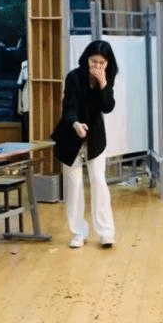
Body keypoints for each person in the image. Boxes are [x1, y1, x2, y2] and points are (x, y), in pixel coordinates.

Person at [52, 40, 117, 249]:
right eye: (93, 61)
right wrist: (75, 124)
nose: (97, 66)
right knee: (74, 185)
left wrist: (103, 84)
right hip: (72, 135)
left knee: (99, 181)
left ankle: (106, 232)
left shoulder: (107, 77)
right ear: (86, 59)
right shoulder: (74, 77)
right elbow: (68, 109)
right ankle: (78, 232)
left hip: (95, 137)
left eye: (101, 62)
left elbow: (108, 107)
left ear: (107, 63)